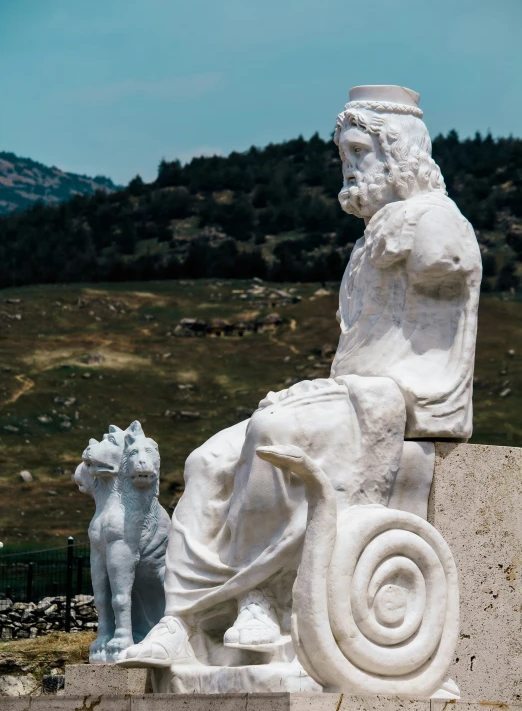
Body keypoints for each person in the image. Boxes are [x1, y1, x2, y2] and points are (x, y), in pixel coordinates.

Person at [118, 86, 482, 669]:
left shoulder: (436, 220)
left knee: (275, 433)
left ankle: (258, 599)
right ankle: (180, 621)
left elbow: (445, 263)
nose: (350, 170)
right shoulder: (372, 240)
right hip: (354, 390)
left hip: (408, 400)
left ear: (401, 156)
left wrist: (411, 220)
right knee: (206, 461)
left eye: (360, 154)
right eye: (345, 158)